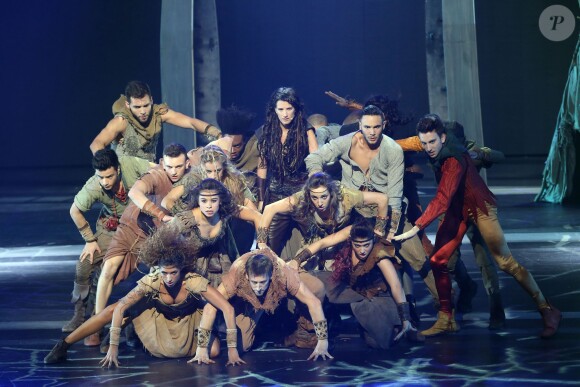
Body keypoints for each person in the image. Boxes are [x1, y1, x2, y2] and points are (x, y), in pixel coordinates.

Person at [393, 114, 562, 338]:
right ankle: (446, 318)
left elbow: (443, 197)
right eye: (424, 143)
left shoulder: (456, 157)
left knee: (503, 262)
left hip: (478, 207)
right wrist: (364, 136)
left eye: (432, 142)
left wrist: (417, 227)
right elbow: (397, 143)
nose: (428, 147)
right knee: (438, 260)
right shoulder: (427, 140)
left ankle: (547, 309)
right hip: (456, 209)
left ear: (444, 137)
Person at [44, 224, 244, 366]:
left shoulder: (192, 280)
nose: (168, 278)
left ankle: (133, 333)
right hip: (156, 317)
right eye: (164, 272)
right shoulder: (154, 280)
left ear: (181, 269)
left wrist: (233, 348)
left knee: (215, 351)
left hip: (189, 322)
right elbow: (121, 306)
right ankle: (64, 345)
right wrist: (114, 346)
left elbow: (227, 307)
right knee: (114, 309)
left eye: (173, 272)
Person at [305, 105, 439, 305]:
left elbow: (394, 196)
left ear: (383, 125)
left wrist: (390, 231)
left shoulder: (392, 150)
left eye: (377, 127)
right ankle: (329, 309)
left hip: (388, 212)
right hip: (355, 213)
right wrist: (318, 179)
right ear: (359, 125)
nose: (372, 132)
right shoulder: (345, 142)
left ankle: (446, 308)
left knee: (419, 259)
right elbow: (314, 157)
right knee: (332, 254)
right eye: (367, 127)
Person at [63, 149, 152, 345]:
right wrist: (89, 239)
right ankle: (80, 316)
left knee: (108, 270)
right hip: (109, 226)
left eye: (109, 176)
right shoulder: (95, 185)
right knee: (84, 265)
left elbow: (157, 171)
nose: (105, 181)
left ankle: (97, 322)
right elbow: (74, 210)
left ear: (118, 169)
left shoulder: (131, 164)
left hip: (138, 225)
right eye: (101, 176)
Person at [94, 143, 190, 316]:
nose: (174, 171)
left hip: (152, 237)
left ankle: (133, 324)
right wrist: (161, 215)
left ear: (187, 163)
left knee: (144, 281)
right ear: (162, 163)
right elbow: (134, 193)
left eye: (178, 166)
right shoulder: (156, 175)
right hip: (130, 227)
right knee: (109, 268)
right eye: (169, 166)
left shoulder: (192, 178)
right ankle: (95, 325)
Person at [188, 249, 333, 363]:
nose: (258, 288)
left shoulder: (283, 274)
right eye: (254, 282)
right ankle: (258, 322)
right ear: (246, 277)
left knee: (315, 288)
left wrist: (323, 342)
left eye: (262, 283)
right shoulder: (236, 275)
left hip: (277, 288)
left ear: (271, 276)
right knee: (242, 347)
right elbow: (210, 307)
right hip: (247, 303)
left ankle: (303, 331)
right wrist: (201, 348)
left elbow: (313, 302)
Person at [295, 220, 422, 348]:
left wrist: (405, 319)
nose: (362, 250)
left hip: (376, 297)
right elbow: (323, 243)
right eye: (357, 245)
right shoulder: (351, 232)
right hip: (351, 289)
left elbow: (396, 285)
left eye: (366, 245)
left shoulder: (379, 254)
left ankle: (399, 327)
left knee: (379, 342)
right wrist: (297, 260)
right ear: (351, 241)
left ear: (373, 240)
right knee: (312, 279)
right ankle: (322, 324)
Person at [259, 172, 388, 271]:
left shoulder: (346, 196)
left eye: (324, 197)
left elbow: (382, 199)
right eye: (314, 197)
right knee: (299, 269)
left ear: (331, 194)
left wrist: (378, 233)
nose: (319, 203)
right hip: (316, 239)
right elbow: (270, 208)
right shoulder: (303, 197)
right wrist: (261, 242)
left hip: (343, 239)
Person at [90, 81, 222, 162]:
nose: (143, 111)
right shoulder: (121, 121)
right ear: (128, 105)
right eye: (137, 107)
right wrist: (108, 165)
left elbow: (190, 122)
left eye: (146, 105)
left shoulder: (158, 114)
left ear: (151, 100)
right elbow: (97, 144)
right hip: (124, 176)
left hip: (149, 171)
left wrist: (216, 133)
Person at [256, 87, 318, 260]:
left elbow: (316, 160)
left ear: (296, 109)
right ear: (274, 110)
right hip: (276, 197)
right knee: (268, 248)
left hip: (301, 196)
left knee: (317, 241)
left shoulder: (306, 129)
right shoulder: (266, 131)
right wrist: (261, 198)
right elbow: (262, 165)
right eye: (281, 109)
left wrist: (314, 191)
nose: (285, 114)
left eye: (289, 109)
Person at [163, 145, 258, 254]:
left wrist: (260, 237)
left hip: (230, 228)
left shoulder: (234, 180)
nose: (214, 176)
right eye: (209, 171)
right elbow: (167, 201)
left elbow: (251, 208)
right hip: (200, 231)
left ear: (224, 167)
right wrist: (186, 215)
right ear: (202, 167)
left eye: (218, 170)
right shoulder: (193, 178)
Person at [168, 178, 262, 287]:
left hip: (220, 263)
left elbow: (257, 216)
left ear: (220, 200)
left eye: (213, 200)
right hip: (192, 269)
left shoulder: (224, 211)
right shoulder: (185, 220)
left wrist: (262, 244)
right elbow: (161, 244)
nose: (209, 206)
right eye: (204, 201)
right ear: (198, 200)